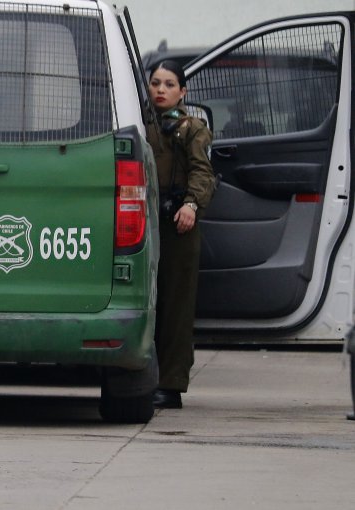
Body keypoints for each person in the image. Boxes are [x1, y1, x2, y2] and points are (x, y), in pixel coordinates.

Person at [146, 60, 216, 410]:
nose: (160, 90)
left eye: (169, 84)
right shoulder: (141, 126)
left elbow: (204, 173)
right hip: (145, 223)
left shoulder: (192, 129)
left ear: (182, 91)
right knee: (148, 303)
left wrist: (191, 204)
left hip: (178, 223)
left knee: (175, 305)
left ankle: (170, 384)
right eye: (155, 83)